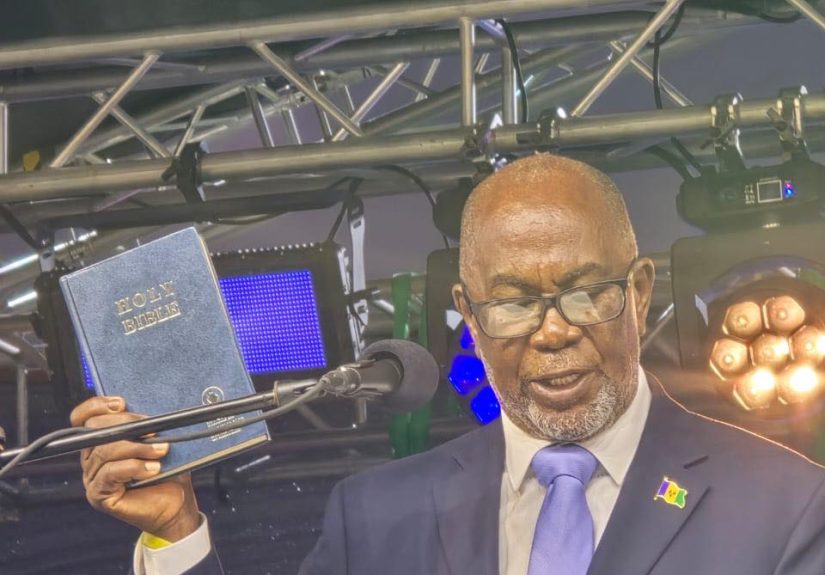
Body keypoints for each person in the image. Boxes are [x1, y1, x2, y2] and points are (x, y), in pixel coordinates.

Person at [72, 154, 825, 575]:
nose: (552, 330)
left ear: (639, 290)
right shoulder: (374, 518)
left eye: (584, 292)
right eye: (514, 303)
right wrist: (176, 530)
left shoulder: (786, 503)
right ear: (468, 312)